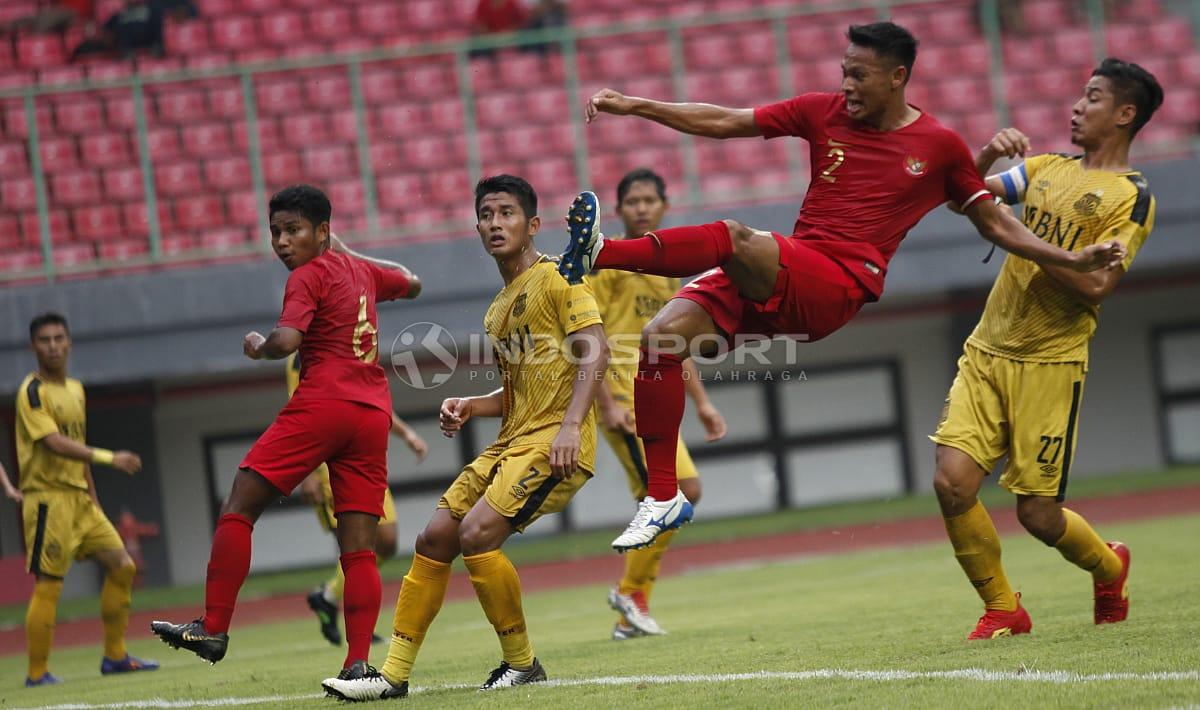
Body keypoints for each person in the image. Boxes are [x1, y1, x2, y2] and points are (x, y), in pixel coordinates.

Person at [557, 21, 1127, 552]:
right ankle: (661, 497)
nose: (847, 85)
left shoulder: (939, 146)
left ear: (897, 76)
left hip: (837, 286)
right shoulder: (821, 112)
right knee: (660, 340)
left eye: (860, 75)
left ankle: (601, 254)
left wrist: (1071, 259)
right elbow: (726, 120)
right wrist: (637, 105)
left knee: (732, 236)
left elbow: (993, 222)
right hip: (788, 271)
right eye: (844, 72)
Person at [321, 175, 609, 701]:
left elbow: (595, 350)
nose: (495, 223)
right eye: (487, 215)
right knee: (433, 538)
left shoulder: (561, 279)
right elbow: (522, 389)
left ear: (534, 225)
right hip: (510, 442)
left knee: (476, 534)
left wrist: (570, 427)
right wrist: (471, 404)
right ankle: (392, 676)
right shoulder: (498, 308)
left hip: (554, 444)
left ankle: (522, 664)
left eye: (507, 213)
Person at [151, 185, 420, 681]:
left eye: (293, 229)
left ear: (322, 232)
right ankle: (358, 664)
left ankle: (213, 626)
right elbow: (413, 282)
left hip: (323, 403)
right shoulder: (361, 272)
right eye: (275, 231)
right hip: (371, 413)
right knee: (359, 547)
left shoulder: (307, 275)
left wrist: (257, 347)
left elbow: (287, 340)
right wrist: (346, 250)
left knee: (240, 503)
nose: (281, 241)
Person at [931, 58, 1161, 640]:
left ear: (1125, 113)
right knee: (951, 482)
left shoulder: (1129, 198)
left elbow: (1097, 284)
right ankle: (1005, 608)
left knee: (1036, 514)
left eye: (1093, 97)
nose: (1077, 107)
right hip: (987, 351)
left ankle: (1110, 567)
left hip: (1051, 365)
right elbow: (966, 200)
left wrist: (1022, 239)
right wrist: (982, 157)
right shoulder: (1041, 169)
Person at [592, 168, 727, 640]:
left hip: (652, 391)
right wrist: (605, 404)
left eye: (650, 200)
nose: (642, 208)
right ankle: (632, 593)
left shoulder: (667, 271)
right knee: (676, 493)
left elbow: (676, 346)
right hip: (621, 400)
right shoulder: (606, 267)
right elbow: (585, 338)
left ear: (665, 207)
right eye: (633, 201)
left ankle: (631, 606)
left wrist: (704, 404)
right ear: (619, 210)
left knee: (678, 493)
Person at [16, 312, 158, 687]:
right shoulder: (32, 391)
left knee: (123, 566)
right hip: (48, 501)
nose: (52, 346)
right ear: (34, 347)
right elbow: (54, 444)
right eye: (44, 340)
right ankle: (36, 674)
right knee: (49, 585)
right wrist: (112, 457)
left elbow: (76, 450)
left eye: (58, 338)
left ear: (69, 342)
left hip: (80, 500)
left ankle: (115, 656)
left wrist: (94, 499)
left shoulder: (76, 389)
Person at [292, 351, 429, 646]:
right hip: (329, 460)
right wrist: (308, 473)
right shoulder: (303, 353)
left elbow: (369, 397)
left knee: (387, 541)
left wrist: (406, 435)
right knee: (358, 544)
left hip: (364, 454)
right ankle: (360, 629)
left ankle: (328, 597)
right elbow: (300, 409)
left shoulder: (352, 338)